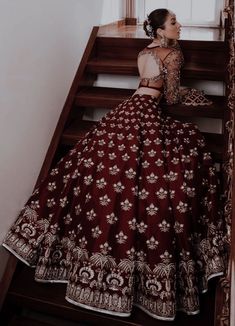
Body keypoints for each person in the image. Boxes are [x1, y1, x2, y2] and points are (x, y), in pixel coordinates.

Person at [2, 8, 226, 321]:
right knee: (183, 155)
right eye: (174, 22)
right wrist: (199, 97)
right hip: (148, 110)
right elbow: (172, 98)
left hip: (129, 107)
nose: (180, 26)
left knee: (97, 156)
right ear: (161, 30)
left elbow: (147, 84)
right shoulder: (173, 55)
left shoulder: (144, 51)